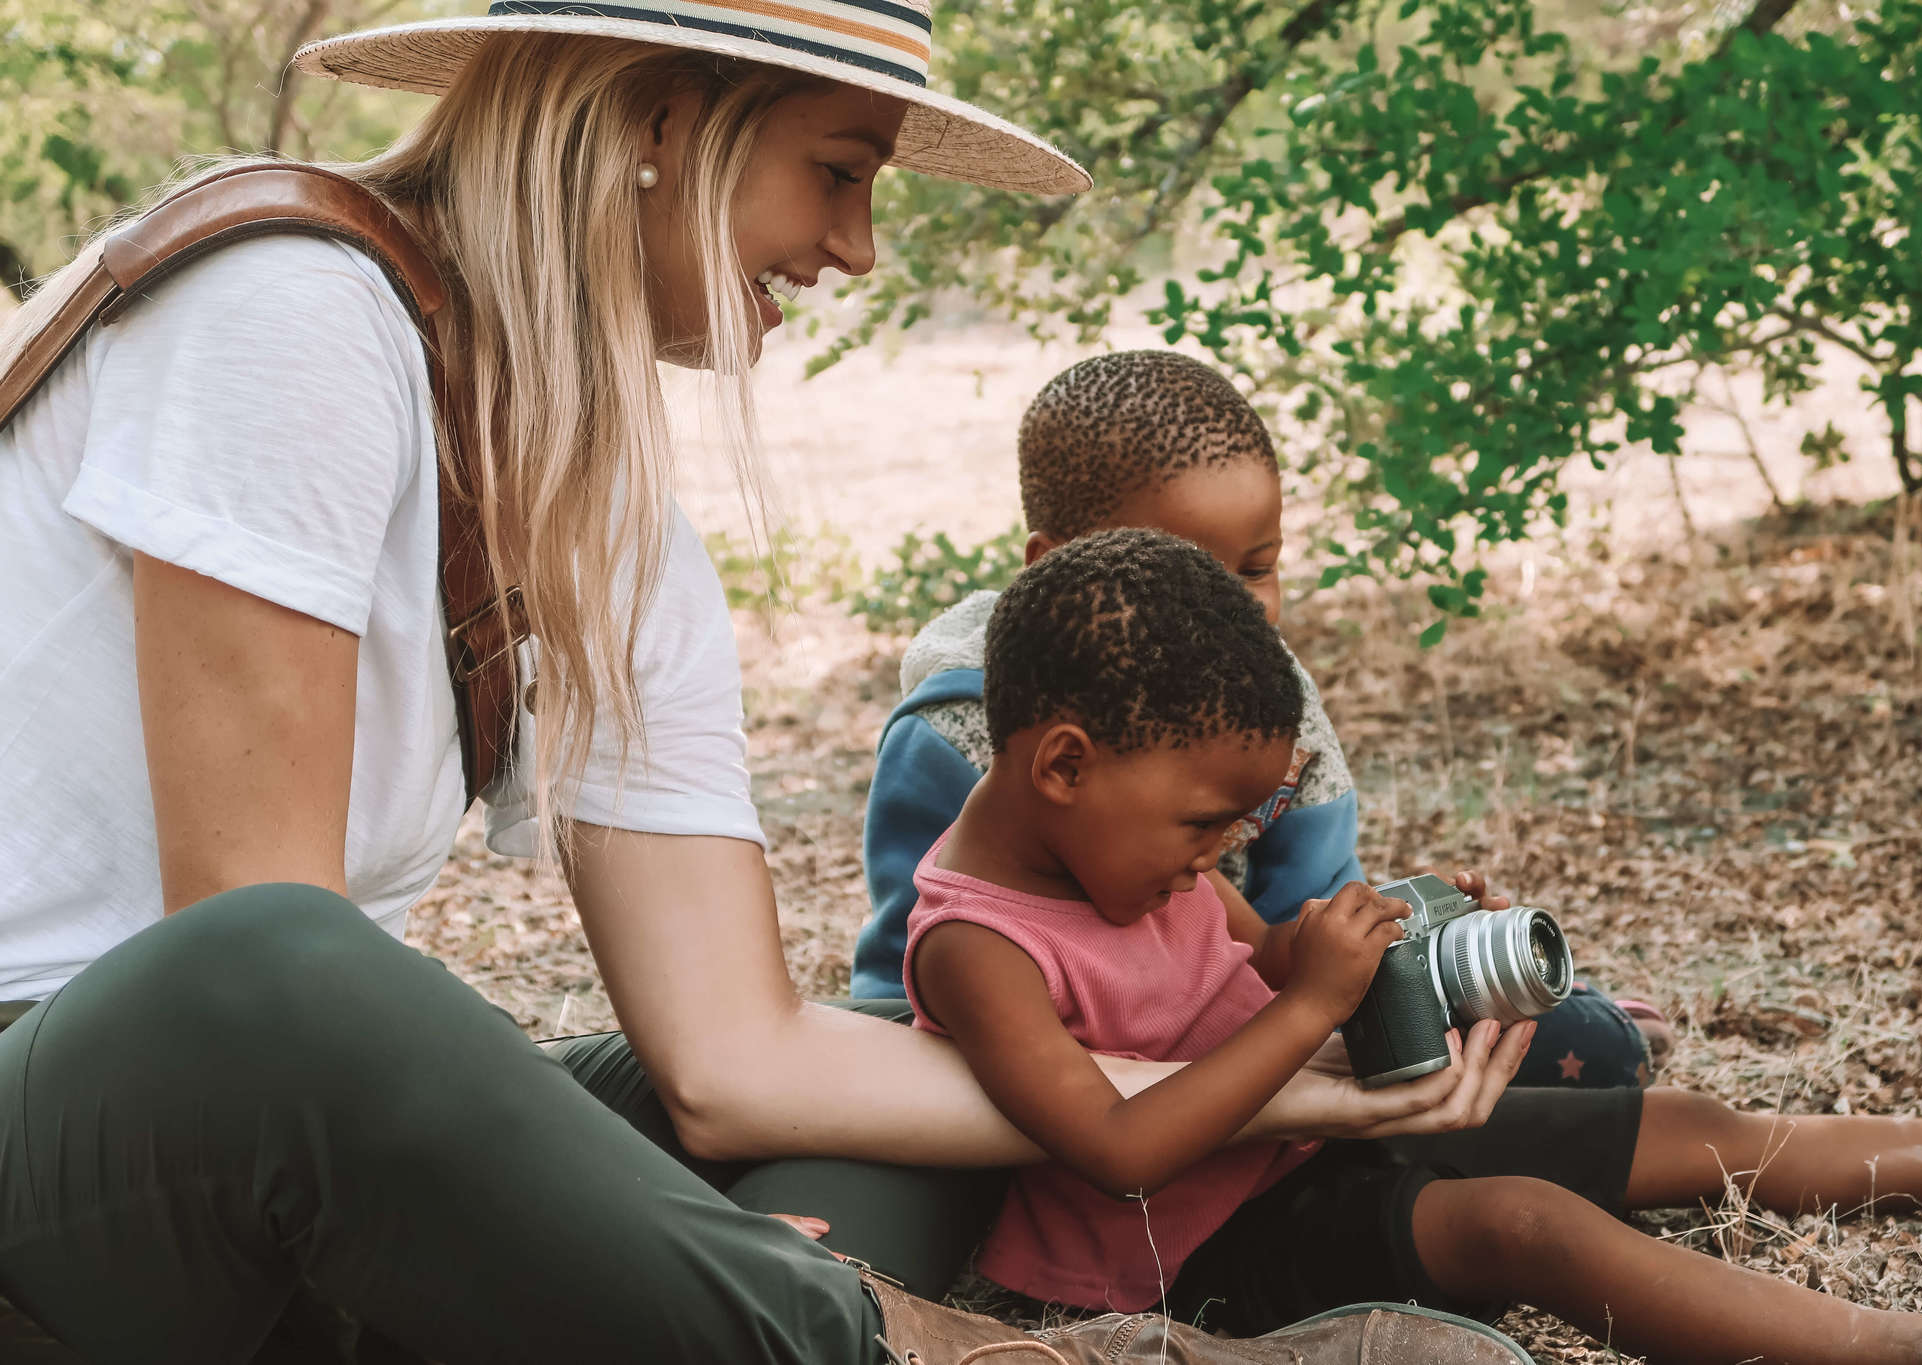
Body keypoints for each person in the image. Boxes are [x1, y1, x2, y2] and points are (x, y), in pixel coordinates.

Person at [0, 5, 1535, 1363]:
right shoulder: (290, 306)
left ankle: (739, 1309)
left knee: (884, 1111)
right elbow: (251, 978)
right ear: (664, 121)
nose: (858, 247)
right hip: (81, 1145)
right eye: (840, 169)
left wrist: (1295, 1083)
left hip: (258, 1163)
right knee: (287, 964)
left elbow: (737, 1061)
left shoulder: (611, 515)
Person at [905, 526, 1922, 1365]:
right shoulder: (977, 945)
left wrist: (1392, 935)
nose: (1215, 858)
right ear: (1061, 766)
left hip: (1309, 1142)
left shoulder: (1131, 848)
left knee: (1687, 1127)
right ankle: (1912, 1350)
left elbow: (1259, 962)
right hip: (1192, 1248)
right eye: (1203, 824)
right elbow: (1117, 1147)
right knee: (1525, 1227)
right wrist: (1308, 1012)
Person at [853, 349, 1672, 1086]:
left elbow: (1299, 923)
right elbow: (911, 970)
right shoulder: (964, 730)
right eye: (1186, 572)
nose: (1231, 609)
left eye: (1258, 568)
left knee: (1560, 1041)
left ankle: (1583, 1021)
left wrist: (1416, 937)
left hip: (1245, 1019)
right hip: (1045, 1061)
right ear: (1057, 561)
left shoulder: (1272, 703)